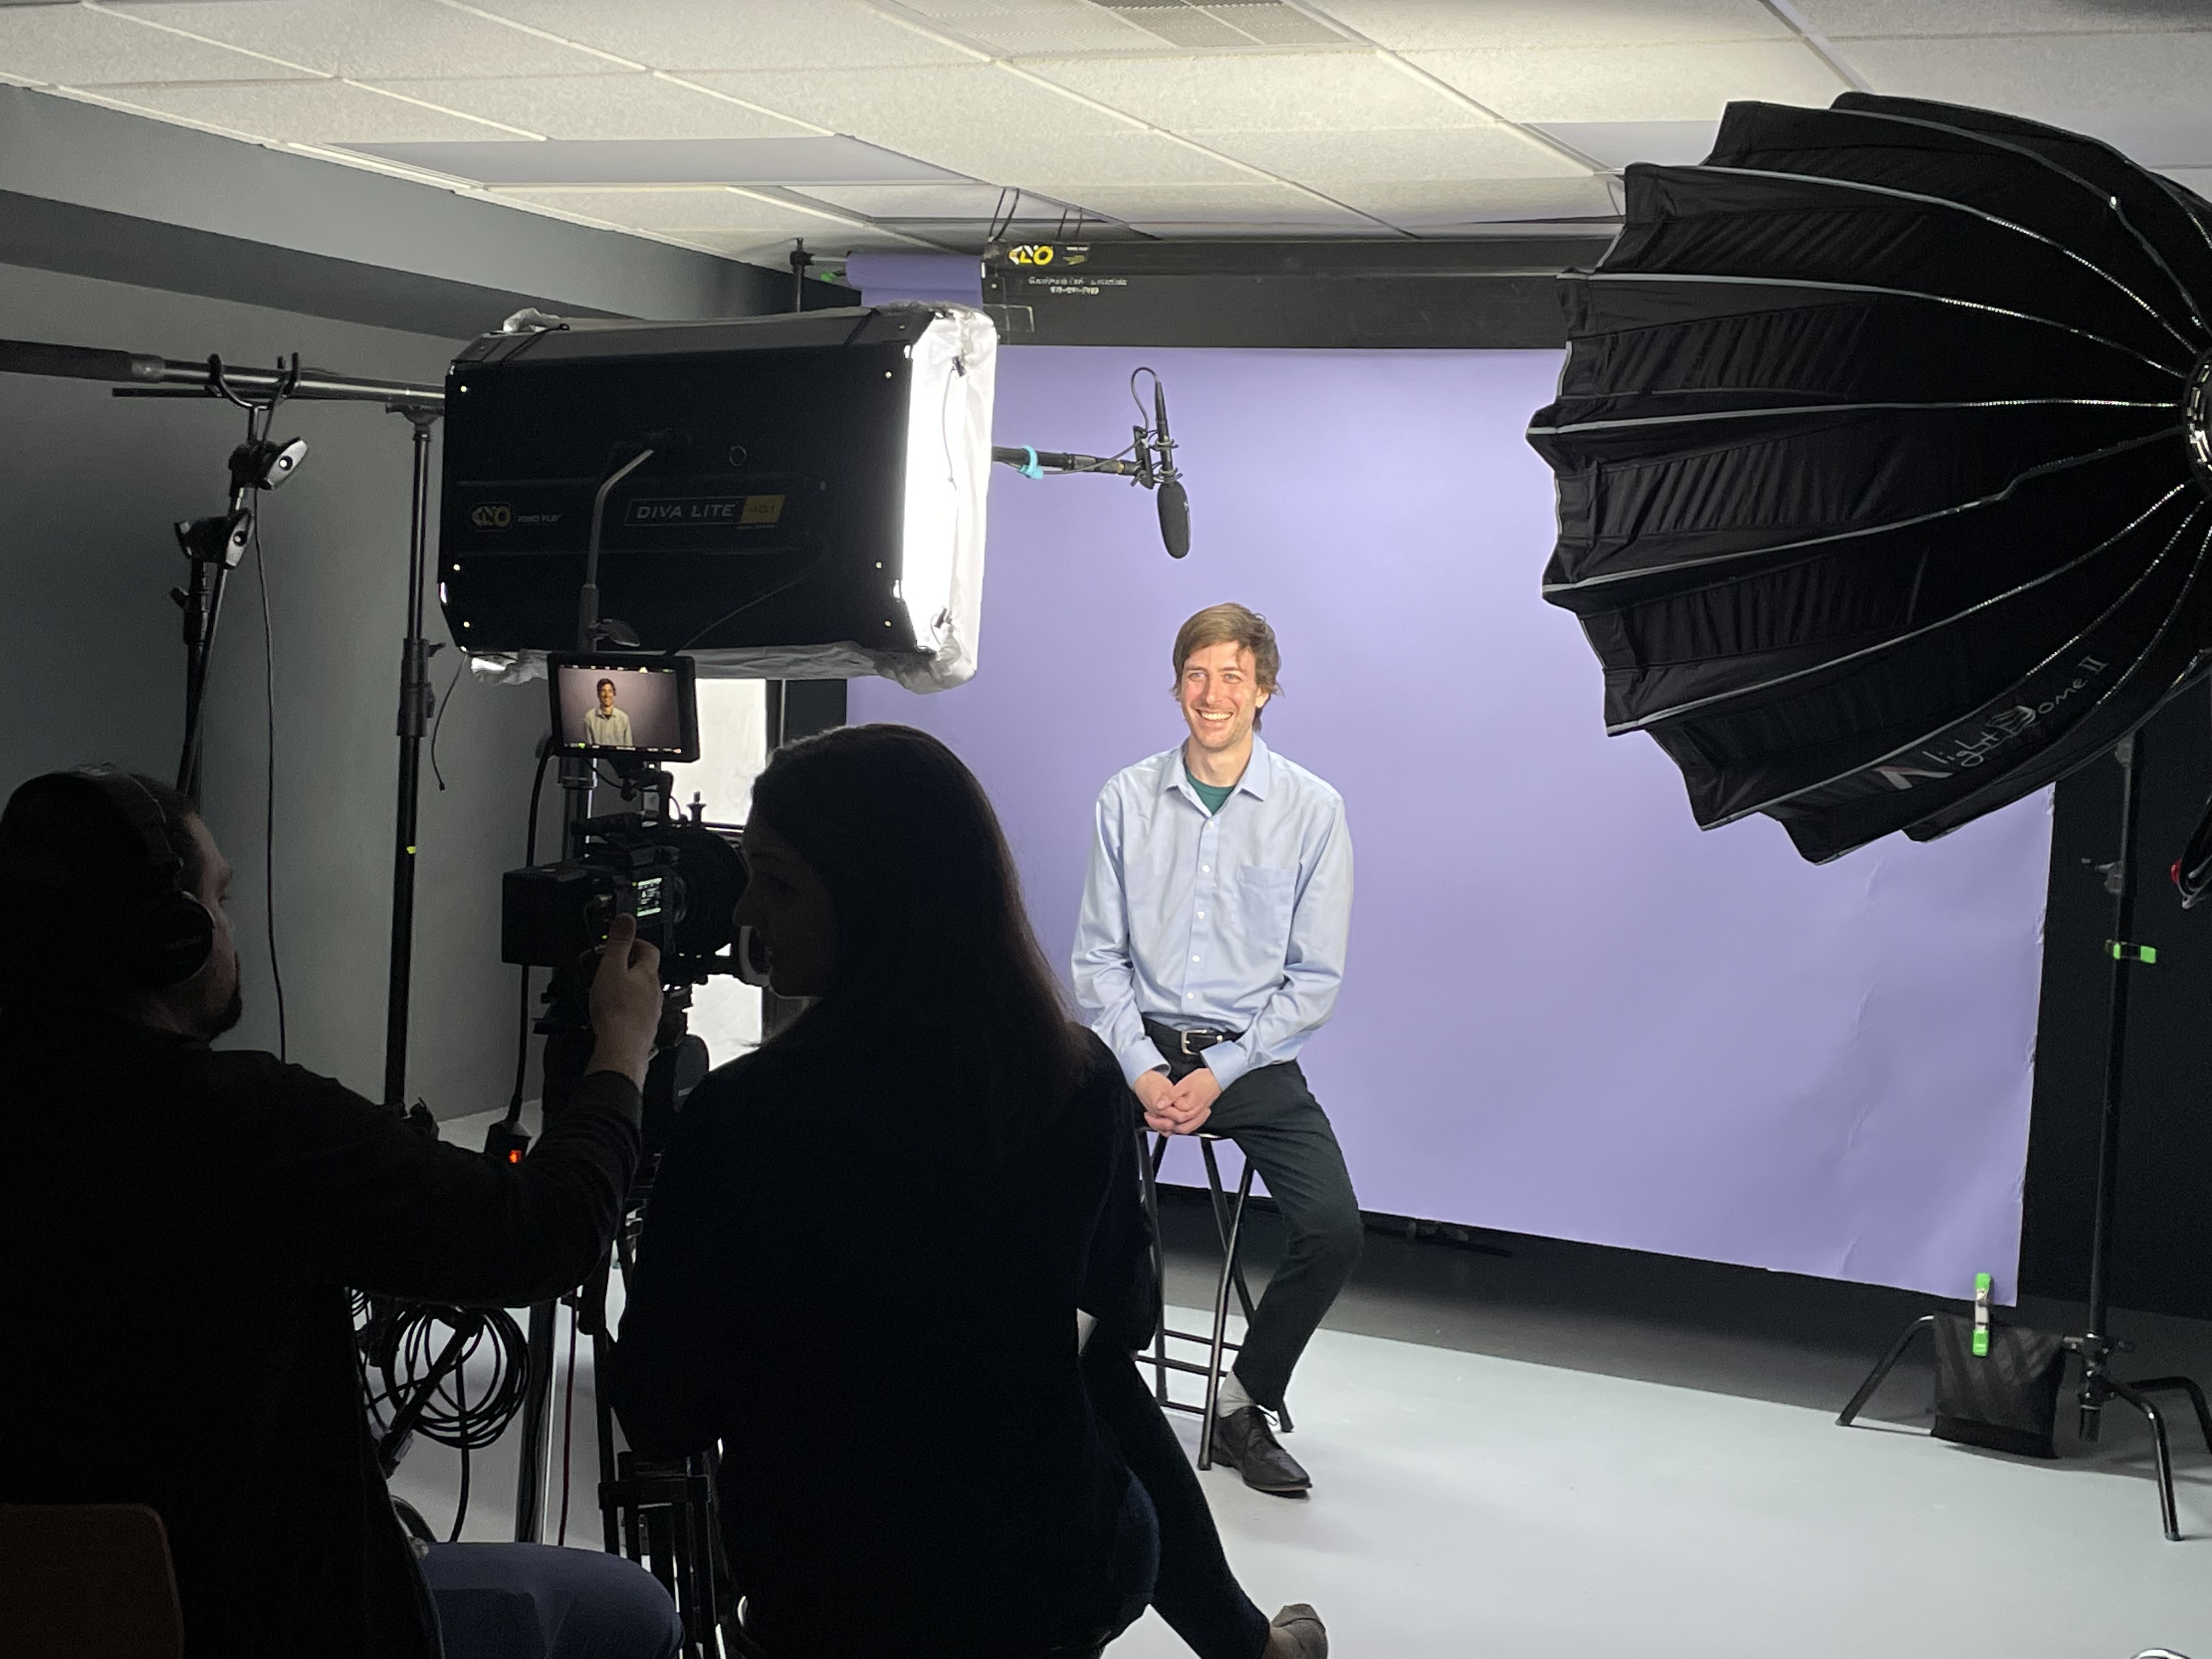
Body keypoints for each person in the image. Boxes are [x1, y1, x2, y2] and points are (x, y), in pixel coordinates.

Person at [607, 725, 1326, 1659]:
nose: (745, 907)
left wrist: (613, 1092)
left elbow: (663, 1411)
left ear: (879, 897)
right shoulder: (1078, 1083)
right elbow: (1116, 1333)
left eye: (778, 881)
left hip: (829, 1596)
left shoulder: (741, 1119)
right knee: (1089, 1381)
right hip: (1059, 1570)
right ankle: (1248, 1644)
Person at [0, 766, 683, 1659]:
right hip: (280, 1622)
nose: (225, 927)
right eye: (218, 897)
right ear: (167, 935)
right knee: (628, 1610)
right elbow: (542, 1232)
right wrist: (621, 1052)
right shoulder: (252, 1123)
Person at [1073, 603, 1358, 1497]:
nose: (1213, 693)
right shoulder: (1124, 797)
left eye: (1233, 675)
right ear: (1176, 685)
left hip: (1249, 1058)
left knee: (1332, 1226)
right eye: (1197, 673)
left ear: (1263, 689)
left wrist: (1214, 1074)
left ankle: (1243, 1401)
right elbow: (1096, 959)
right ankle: (1087, 1380)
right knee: (1052, 1182)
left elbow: (1312, 980)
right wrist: (1141, 1066)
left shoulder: (1313, 810)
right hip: (1136, 1047)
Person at [585, 678, 633, 748]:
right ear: (598, 695)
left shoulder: (624, 718)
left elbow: (629, 749)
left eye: (610, 691)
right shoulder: (589, 717)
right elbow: (588, 749)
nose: (607, 695)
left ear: (614, 694)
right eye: (603, 691)